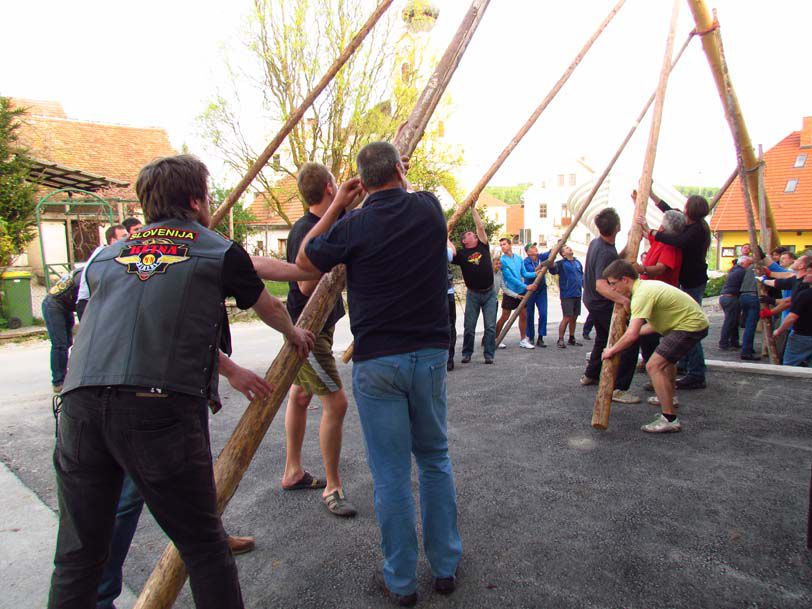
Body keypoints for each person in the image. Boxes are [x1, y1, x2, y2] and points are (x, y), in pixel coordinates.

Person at [48, 154, 316, 609]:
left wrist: (228, 370)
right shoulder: (215, 248)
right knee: (204, 547)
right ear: (195, 200)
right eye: (207, 195)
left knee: (77, 558)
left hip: (79, 407)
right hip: (156, 409)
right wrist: (294, 332)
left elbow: (120, 329)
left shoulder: (109, 256)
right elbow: (266, 305)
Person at [295, 142, 461, 605]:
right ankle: (445, 566)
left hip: (377, 361)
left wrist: (341, 205)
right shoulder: (428, 209)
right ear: (400, 172)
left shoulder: (354, 224)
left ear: (362, 183)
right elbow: (412, 192)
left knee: (390, 475)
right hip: (428, 356)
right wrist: (392, 178)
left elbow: (307, 259)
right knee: (434, 459)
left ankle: (402, 582)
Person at [277, 161, 356, 517]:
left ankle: (292, 471)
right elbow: (306, 284)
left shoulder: (328, 220)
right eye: (335, 184)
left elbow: (357, 205)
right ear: (328, 188)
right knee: (336, 403)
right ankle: (333, 486)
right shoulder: (306, 230)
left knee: (301, 393)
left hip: (317, 327)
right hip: (307, 331)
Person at [600, 260, 709, 433]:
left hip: (689, 326)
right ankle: (670, 399)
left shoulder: (641, 295)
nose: (612, 288)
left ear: (625, 280)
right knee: (667, 362)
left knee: (654, 365)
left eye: (613, 283)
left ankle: (669, 419)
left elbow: (633, 334)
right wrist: (625, 335)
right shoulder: (645, 288)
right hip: (689, 324)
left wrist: (612, 350)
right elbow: (649, 327)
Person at [640, 193, 711, 390]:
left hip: (692, 282)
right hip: (688, 281)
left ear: (690, 210)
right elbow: (669, 211)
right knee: (684, 324)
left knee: (689, 325)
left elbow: (677, 241)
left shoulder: (696, 230)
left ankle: (696, 373)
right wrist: (651, 195)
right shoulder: (689, 223)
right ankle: (686, 364)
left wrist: (652, 232)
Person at [581, 208, 640, 404]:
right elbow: (601, 285)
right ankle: (619, 388)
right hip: (600, 302)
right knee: (628, 342)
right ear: (617, 227)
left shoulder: (598, 243)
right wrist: (624, 300)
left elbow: (613, 261)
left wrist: (628, 247)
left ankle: (591, 374)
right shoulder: (605, 251)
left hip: (590, 300)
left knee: (602, 337)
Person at [452, 208, 497, 364]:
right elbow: (448, 250)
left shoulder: (483, 245)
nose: (474, 234)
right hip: (473, 294)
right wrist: (445, 232)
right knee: (469, 327)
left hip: (490, 292)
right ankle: (467, 353)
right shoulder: (461, 254)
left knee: (490, 327)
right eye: (470, 234)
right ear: (465, 241)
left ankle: (489, 354)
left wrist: (473, 209)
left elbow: (480, 227)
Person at [42, 267, 83, 393]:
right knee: (59, 345)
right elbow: (83, 304)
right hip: (54, 305)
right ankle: (58, 381)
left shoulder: (85, 270)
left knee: (67, 343)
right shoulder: (85, 275)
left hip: (65, 306)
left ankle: (65, 375)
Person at [75, 224, 129, 320]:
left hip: (97, 303)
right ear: (113, 241)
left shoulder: (107, 253)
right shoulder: (104, 256)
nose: (128, 240)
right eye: (124, 237)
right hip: (88, 304)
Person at [772, 256, 812, 366]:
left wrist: (779, 330)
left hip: (801, 334)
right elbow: (779, 278)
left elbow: (792, 314)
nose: (806, 275)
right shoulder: (800, 286)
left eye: (808, 272)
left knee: (789, 365)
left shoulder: (805, 293)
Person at [500, 237, 537, 349]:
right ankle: (496, 338)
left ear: (510, 245)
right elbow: (510, 278)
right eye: (501, 245)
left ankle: (523, 340)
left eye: (504, 244)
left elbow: (524, 274)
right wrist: (526, 286)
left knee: (523, 316)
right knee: (505, 316)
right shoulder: (502, 260)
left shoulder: (519, 258)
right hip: (510, 292)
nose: (502, 246)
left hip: (521, 291)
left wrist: (536, 273)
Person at [549, 245, 584, 348]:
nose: (570, 248)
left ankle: (572, 338)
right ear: (563, 254)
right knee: (567, 317)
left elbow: (582, 276)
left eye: (570, 247)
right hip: (567, 294)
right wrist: (551, 259)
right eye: (566, 248)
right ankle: (560, 339)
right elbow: (552, 270)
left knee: (574, 316)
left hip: (577, 293)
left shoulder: (577, 263)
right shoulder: (561, 264)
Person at [522, 243, 550, 347]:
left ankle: (541, 337)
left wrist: (558, 245)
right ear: (528, 252)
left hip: (541, 290)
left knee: (543, 313)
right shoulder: (526, 262)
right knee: (530, 314)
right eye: (532, 247)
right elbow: (531, 273)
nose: (535, 248)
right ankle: (530, 336)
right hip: (530, 290)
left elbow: (550, 253)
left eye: (535, 246)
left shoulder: (540, 257)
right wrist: (541, 266)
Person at [736, 256, 762, 360]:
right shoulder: (761, 268)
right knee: (751, 326)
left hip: (743, 296)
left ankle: (748, 347)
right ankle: (746, 351)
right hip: (753, 296)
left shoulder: (748, 268)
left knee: (747, 325)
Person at [718, 256, 746, 350]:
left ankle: (734, 341)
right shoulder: (742, 271)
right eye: (749, 264)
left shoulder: (734, 270)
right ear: (743, 263)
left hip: (725, 297)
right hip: (731, 298)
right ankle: (724, 343)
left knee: (733, 321)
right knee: (730, 321)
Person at [493, 255, 520, 348]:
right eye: (496, 263)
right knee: (491, 322)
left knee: (491, 321)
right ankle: (490, 340)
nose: (498, 265)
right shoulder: (488, 273)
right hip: (486, 300)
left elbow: (504, 288)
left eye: (500, 264)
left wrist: (516, 295)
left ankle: (493, 339)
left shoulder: (500, 274)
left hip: (494, 300)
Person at [446, 240, 457, 370]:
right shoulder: (442, 248)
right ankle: (449, 359)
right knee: (449, 325)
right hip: (446, 293)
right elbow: (453, 252)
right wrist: (447, 238)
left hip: (436, 294)